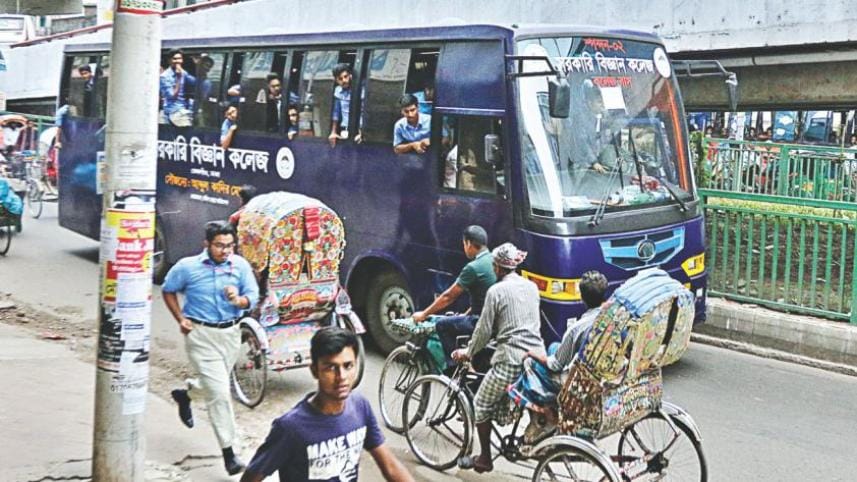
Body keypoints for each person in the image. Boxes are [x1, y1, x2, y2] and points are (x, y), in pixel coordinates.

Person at [240, 327, 414, 482]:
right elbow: (252, 476)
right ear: (315, 370)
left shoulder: (360, 407)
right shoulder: (290, 427)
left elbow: (390, 467)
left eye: (348, 366)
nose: (341, 377)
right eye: (330, 368)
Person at [162, 221, 259, 476]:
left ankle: (187, 395)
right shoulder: (187, 267)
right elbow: (168, 290)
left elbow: (253, 295)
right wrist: (180, 318)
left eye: (229, 245)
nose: (225, 251)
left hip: (230, 334)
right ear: (207, 244)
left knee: (212, 384)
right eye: (219, 246)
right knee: (219, 392)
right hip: (201, 335)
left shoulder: (240, 266)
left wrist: (239, 300)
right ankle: (229, 453)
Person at [451, 243, 545, 473]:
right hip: (535, 356)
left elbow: (483, 330)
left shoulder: (495, 291)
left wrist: (468, 352)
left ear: (497, 267)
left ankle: (484, 458)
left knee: (481, 405)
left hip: (510, 359)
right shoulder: (532, 287)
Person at [412, 225, 495, 368]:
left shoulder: (473, 267)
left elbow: (449, 296)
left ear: (468, 243)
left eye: (464, 244)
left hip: (480, 321)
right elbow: (483, 298)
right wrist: (465, 314)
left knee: (442, 325)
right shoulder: (494, 260)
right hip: (494, 320)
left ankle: (454, 368)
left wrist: (424, 314)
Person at [160, 49, 196, 127]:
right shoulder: (165, 77)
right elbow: (172, 95)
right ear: (169, 60)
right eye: (175, 59)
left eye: (179, 59)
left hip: (185, 108)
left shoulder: (182, 72)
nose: (178, 61)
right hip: (174, 110)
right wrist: (178, 78)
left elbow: (194, 83)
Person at [329, 63, 361, 146]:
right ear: (336, 80)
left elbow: (363, 111)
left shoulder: (359, 89)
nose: (344, 80)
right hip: (344, 131)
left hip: (358, 132)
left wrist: (361, 132)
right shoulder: (338, 91)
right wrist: (333, 132)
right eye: (340, 79)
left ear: (350, 76)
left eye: (345, 76)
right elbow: (336, 113)